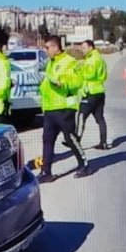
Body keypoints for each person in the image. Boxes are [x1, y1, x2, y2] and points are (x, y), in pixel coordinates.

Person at [37, 36, 88, 183]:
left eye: (47, 48)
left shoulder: (69, 61)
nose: (46, 51)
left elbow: (77, 81)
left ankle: (83, 164)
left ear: (55, 47)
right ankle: (46, 172)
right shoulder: (51, 63)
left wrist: (62, 84)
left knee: (70, 138)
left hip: (64, 108)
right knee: (47, 140)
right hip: (50, 108)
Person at [76, 40, 109, 149]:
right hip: (100, 91)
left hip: (90, 93)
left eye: (84, 48)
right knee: (100, 118)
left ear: (91, 47)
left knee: (81, 116)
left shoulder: (92, 60)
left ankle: (76, 142)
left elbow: (89, 74)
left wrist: (80, 69)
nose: (82, 50)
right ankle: (103, 142)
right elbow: (104, 75)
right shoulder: (100, 58)